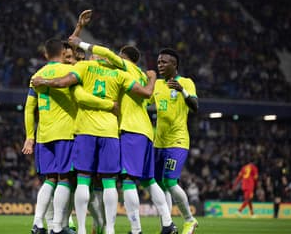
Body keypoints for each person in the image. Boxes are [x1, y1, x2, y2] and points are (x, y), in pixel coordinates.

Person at [31, 51, 157, 234]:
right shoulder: (119, 73)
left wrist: (44, 81)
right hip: (110, 132)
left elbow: (65, 85)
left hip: (85, 131)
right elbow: (145, 93)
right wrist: (151, 78)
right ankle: (110, 229)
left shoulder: (84, 67)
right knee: (109, 182)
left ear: (92, 57)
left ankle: (80, 228)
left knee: (82, 180)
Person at [67, 35, 177, 234]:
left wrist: (81, 43)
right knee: (148, 180)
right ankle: (168, 223)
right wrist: (152, 77)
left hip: (130, 130)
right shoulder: (142, 75)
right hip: (146, 131)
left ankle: (135, 230)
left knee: (127, 180)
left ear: (123, 58)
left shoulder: (124, 68)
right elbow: (149, 96)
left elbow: (106, 53)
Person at [22, 38, 116, 234]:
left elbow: (29, 108)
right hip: (66, 132)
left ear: (46, 54)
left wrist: (30, 136)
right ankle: (58, 226)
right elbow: (81, 96)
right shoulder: (71, 71)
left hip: (44, 135)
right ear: (63, 54)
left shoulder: (37, 75)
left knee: (49, 179)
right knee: (65, 179)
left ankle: (38, 223)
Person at [152, 48, 199, 234]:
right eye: (158, 62)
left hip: (178, 141)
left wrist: (183, 92)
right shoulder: (156, 85)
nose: (160, 65)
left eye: (164, 62)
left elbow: (195, 107)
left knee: (170, 181)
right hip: (159, 143)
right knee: (159, 183)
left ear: (174, 65)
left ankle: (189, 220)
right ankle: (168, 224)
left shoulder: (186, 82)